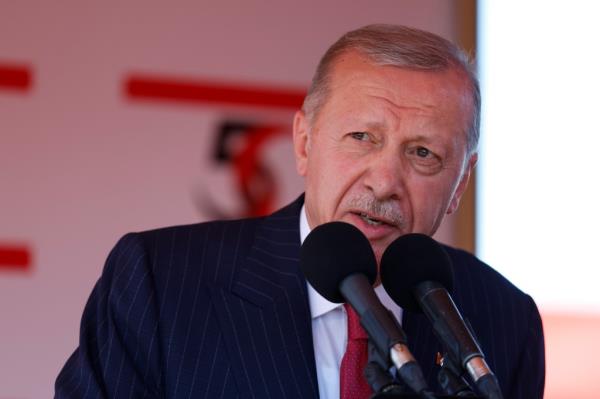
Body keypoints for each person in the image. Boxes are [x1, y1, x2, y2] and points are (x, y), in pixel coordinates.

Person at [55, 24, 545, 399]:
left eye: (423, 154)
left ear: (460, 182)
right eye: (361, 138)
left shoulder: (501, 320)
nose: (385, 182)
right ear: (304, 143)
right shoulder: (160, 282)